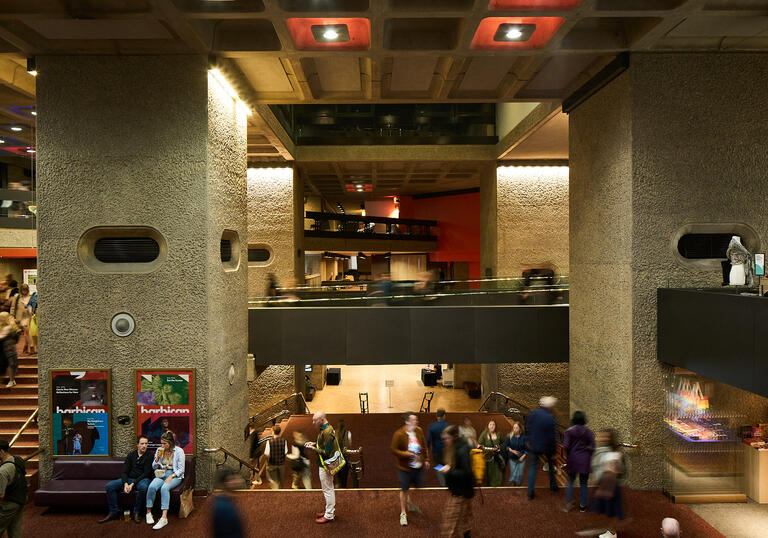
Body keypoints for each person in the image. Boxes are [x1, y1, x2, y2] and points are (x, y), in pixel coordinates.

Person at [99, 435, 153, 524]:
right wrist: (125, 483)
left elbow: (146, 473)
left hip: (142, 479)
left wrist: (132, 484)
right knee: (110, 486)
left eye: (146, 444)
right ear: (137, 445)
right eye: (142, 443)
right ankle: (114, 512)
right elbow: (124, 471)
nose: (144, 446)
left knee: (143, 487)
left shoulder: (150, 456)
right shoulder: (131, 455)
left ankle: (136, 512)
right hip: (129, 479)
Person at [391, 412, 429, 527]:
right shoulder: (399, 434)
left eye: (416, 420)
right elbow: (393, 449)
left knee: (417, 486)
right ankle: (403, 513)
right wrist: (406, 454)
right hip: (405, 468)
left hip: (418, 467)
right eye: (413, 420)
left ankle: (408, 500)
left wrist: (426, 459)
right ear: (407, 421)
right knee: (404, 488)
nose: (415, 422)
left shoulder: (419, 431)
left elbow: (424, 446)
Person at [438, 425, 474, 538]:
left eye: (447, 438)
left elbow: (467, 472)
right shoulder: (452, 447)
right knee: (464, 518)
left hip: (460, 491)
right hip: (462, 490)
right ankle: (466, 533)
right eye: (444, 439)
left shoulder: (462, 450)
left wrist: (449, 471)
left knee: (449, 523)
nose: (445, 441)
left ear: (454, 437)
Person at [145, 430, 185, 530]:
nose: (162, 445)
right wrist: (158, 458)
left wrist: (171, 476)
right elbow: (154, 467)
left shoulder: (179, 451)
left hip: (174, 475)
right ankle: (148, 513)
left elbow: (181, 470)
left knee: (164, 488)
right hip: (161, 473)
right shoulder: (160, 450)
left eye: (164, 443)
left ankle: (164, 518)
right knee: (152, 487)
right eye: (161, 443)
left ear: (170, 442)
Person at [303, 411, 337, 524]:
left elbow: (326, 452)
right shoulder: (328, 428)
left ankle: (329, 514)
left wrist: (313, 449)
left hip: (325, 465)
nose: (313, 423)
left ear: (322, 420)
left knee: (327, 490)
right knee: (328, 488)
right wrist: (314, 443)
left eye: (315, 421)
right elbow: (324, 445)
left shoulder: (326, 432)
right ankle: (329, 510)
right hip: (325, 464)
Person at [591, 429, 624, 538]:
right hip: (606, 483)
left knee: (613, 510)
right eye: (600, 436)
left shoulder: (612, 454)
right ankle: (611, 531)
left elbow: (615, 471)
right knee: (609, 510)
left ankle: (613, 532)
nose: (601, 438)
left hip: (610, 484)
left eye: (604, 437)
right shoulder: (602, 451)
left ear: (609, 439)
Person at [526, 396, 559, 499]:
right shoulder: (551, 418)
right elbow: (552, 436)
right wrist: (554, 452)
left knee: (533, 468)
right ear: (550, 406)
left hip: (535, 445)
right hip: (547, 446)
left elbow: (528, 427)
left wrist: (528, 440)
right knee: (551, 465)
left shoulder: (534, 413)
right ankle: (553, 486)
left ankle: (530, 491)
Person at [563, 411, 595, 512]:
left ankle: (568, 503)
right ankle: (583, 506)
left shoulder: (569, 431)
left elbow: (566, 446)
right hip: (584, 460)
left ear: (574, 419)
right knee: (584, 483)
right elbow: (593, 447)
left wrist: (569, 454)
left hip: (573, 459)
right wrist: (588, 452)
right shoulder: (588, 432)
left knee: (570, 481)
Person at [0, 438, 26, 538]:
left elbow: (1, 495)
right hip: (22, 498)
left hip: (10, 503)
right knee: (14, 530)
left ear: (1, 451)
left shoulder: (3, 471)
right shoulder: (18, 459)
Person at [211, 468, 245, 538]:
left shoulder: (226, 501)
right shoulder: (222, 506)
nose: (238, 481)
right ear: (225, 483)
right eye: (233, 479)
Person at [427, 409, 453, 486]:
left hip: (436, 452)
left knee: (438, 466)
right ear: (444, 416)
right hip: (447, 451)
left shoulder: (432, 426)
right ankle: (449, 482)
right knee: (448, 466)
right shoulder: (449, 425)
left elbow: (428, 441)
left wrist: (427, 452)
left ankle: (443, 483)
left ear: (437, 416)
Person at [477, 420, 504, 487]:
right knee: (488, 476)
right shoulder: (484, 434)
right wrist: (482, 448)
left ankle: (497, 489)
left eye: (493, 424)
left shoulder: (499, 434)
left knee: (497, 475)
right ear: (488, 426)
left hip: (496, 458)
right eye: (490, 424)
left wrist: (499, 447)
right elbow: (479, 444)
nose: (492, 426)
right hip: (487, 458)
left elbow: (504, 443)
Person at [8, 284, 31, 355]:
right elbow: (13, 307)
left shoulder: (30, 297)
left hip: (27, 317)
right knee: (16, 335)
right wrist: (12, 316)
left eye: (26, 290)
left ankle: (27, 347)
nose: (24, 292)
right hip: (18, 318)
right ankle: (14, 349)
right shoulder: (17, 297)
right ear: (21, 290)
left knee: (27, 332)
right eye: (23, 290)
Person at [264, 424, 287, 489]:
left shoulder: (269, 442)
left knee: (273, 480)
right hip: (281, 464)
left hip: (272, 463)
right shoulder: (284, 441)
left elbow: (267, 454)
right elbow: (285, 453)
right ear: (280, 432)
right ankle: (281, 491)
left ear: (273, 432)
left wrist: (267, 463)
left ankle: (275, 491)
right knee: (281, 481)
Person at [0, 313, 19, 388]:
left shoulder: (9, 327)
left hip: (8, 350)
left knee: (10, 365)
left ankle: (12, 380)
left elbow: (2, 336)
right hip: (3, 350)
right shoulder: (3, 327)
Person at [504, 422, 527, 486]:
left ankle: (518, 485)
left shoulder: (524, 437)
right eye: (514, 428)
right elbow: (506, 446)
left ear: (520, 429)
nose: (515, 429)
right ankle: (513, 485)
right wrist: (512, 451)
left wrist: (523, 456)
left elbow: (527, 449)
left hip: (521, 457)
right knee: (513, 472)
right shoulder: (509, 436)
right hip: (512, 457)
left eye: (516, 428)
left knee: (520, 474)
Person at [335, 419, 352, 488]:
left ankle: (338, 485)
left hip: (336, 456)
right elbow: (350, 443)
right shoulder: (348, 433)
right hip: (345, 455)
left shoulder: (334, 432)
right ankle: (343, 487)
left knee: (337, 474)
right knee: (344, 475)